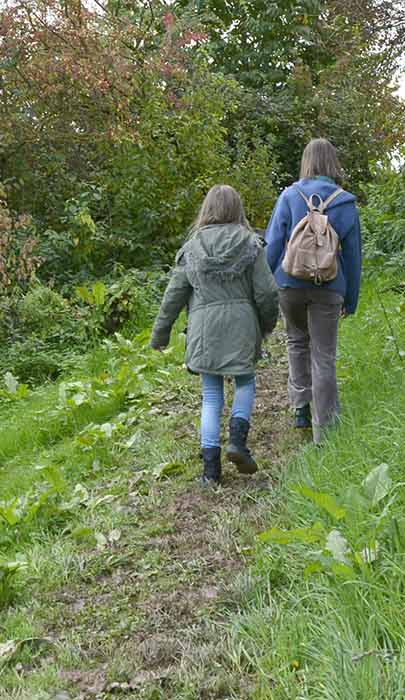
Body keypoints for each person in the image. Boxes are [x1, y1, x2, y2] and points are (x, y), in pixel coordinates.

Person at [150, 185, 280, 484]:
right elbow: (267, 292)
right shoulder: (250, 244)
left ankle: (211, 471)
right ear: (238, 209)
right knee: (245, 382)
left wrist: (161, 334)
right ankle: (237, 440)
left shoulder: (192, 248)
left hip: (204, 330)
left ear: (206, 209)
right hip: (242, 324)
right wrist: (266, 324)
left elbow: (173, 296)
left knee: (211, 396)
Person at [263, 138, 362, 441]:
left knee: (296, 341)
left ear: (306, 161)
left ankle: (301, 408)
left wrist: (266, 285)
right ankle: (325, 429)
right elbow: (353, 256)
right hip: (329, 286)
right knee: (324, 355)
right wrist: (351, 298)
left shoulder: (290, 196)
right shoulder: (345, 203)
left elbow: (273, 244)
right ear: (333, 163)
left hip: (289, 283)